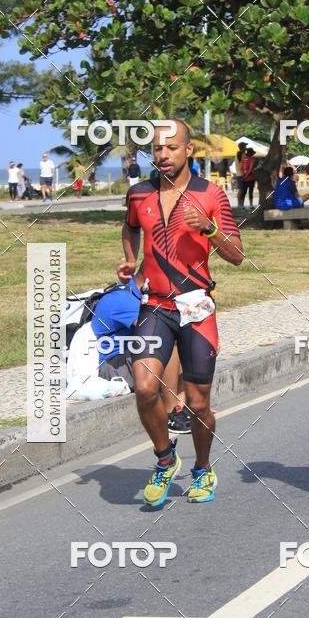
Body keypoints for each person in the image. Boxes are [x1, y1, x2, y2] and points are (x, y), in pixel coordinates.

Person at [118, 119, 244, 508]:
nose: (163, 155)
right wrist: (130, 261)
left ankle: (203, 467)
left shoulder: (211, 195)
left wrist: (209, 229)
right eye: (157, 149)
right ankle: (164, 457)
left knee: (199, 403)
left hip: (196, 306)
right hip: (155, 304)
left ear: (189, 150)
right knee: (143, 387)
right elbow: (129, 227)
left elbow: (237, 255)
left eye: (172, 148)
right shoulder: (139, 194)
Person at [234, 140, 247, 206]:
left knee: (242, 190)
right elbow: (242, 164)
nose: (246, 148)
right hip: (241, 174)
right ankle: (240, 204)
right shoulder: (241, 154)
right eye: (245, 146)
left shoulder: (237, 153)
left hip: (239, 174)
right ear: (243, 147)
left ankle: (241, 204)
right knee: (242, 190)